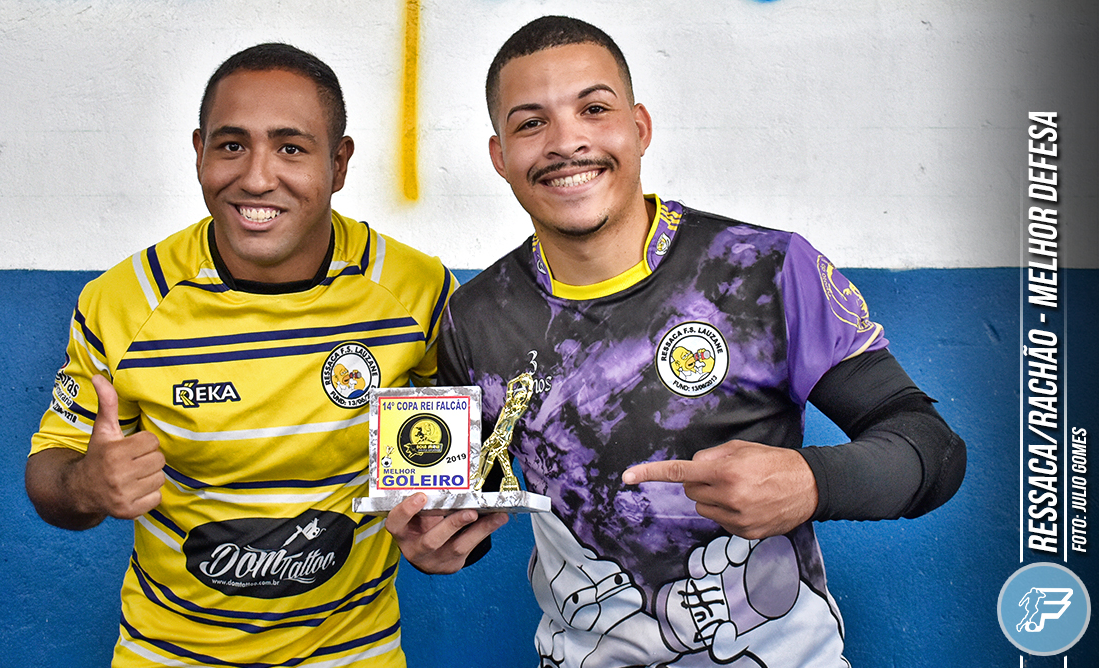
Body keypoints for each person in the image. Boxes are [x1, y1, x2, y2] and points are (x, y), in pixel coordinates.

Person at [385, 16, 966, 668]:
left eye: (593, 109)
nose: (566, 141)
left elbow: (933, 450)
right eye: (531, 123)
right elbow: (462, 513)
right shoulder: (474, 317)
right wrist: (436, 543)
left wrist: (813, 481)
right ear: (500, 157)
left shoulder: (765, 270)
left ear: (639, 128)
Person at [23, 43, 484, 667]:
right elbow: (50, 472)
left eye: (291, 148)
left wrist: (448, 535)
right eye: (232, 145)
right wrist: (87, 485)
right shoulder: (124, 302)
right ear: (199, 153)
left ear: (339, 163)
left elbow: (453, 472)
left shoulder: (416, 292)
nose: (257, 177)